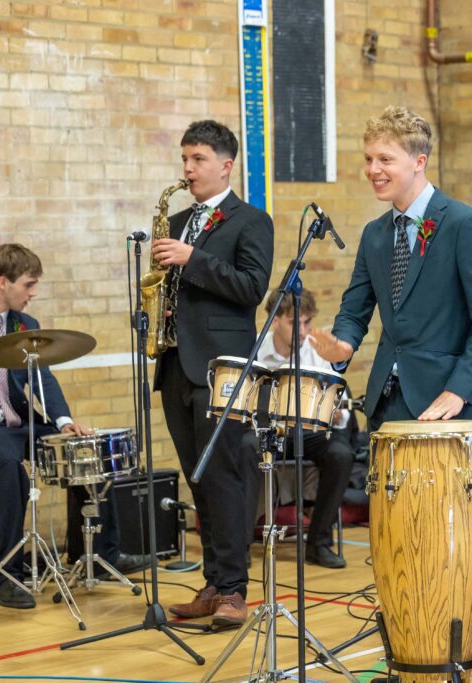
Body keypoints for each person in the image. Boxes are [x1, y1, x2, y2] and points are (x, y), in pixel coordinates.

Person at [0, 243, 148, 609]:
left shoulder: (26, 325)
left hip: (16, 421)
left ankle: (98, 555)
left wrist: (64, 421)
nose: (33, 293)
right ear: (2, 281)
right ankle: (6, 574)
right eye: (28, 285)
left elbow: (43, 378)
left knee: (85, 451)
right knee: (8, 463)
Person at [309, 106, 472, 429]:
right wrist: (342, 345)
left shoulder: (464, 225)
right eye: (368, 159)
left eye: (385, 159)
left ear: (419, 162)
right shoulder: (375, 234)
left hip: (445, 404)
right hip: (385, 402)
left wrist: (459, 389)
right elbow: (354, 310)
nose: (373, 170)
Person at [152, 120, 273, 628]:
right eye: (184, 159)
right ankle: (213, 582)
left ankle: (235, 591)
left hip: (222, 369)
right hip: (176, 363)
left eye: (197, 159)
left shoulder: (251, 220)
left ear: (226, 165)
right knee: (197, 478)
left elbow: (252, 288)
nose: (187, 169)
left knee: (225, 477)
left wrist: (192, 258)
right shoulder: (177, 219)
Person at [256, 291, 354, 569]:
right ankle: (239, 546)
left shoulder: (316, 351)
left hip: (306, 430)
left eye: (307, 323)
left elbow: (339, 406)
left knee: (340, 454)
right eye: (294, 323)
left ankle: (319, 542)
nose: (303, 331)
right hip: (267, 431)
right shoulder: (256, 348)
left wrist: (336, 414)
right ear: (275, 320)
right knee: (240, 449)